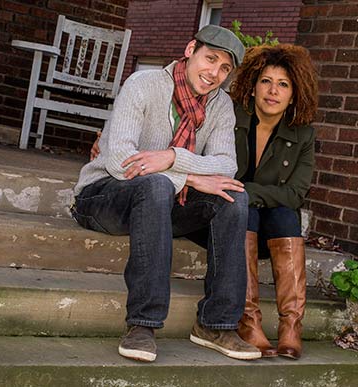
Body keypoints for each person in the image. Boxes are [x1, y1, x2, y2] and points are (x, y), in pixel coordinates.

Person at [72, 25, 262, 363]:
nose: (214, 74)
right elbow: (119, 161)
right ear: (191, 49)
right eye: (210, 59)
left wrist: (173, 157)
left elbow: (226, 166)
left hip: (161, 204)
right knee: (157, 185)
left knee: (234, 198)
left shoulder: (220, 106)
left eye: (224, 69)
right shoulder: (143, 85)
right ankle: (142, 324)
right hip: (102, 196)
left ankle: (216, 324)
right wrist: (190, 176)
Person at [229, 44, 318, 360]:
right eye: (266, 81)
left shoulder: (303, 135)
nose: (273, 91)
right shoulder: (232, 117)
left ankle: (291, 326)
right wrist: (245, 196)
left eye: (283, 84)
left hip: (274, 229)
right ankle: (248, 319)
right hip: (233, 221)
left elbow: (295, 195)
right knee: (244, 209)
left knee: (285, 214)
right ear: (252, 87)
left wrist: (245, 190)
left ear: (293, 95)